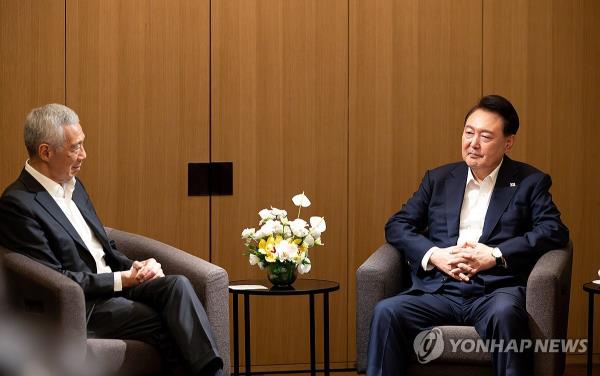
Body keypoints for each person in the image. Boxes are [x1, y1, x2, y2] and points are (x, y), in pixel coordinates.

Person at [0, 104, 224, 376]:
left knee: (177, 285)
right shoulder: (18, 204)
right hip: (83, 305)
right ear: (45, 152)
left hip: (116, 286)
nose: (84, 155)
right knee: (165, 321)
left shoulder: (74, 185)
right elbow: (55, 279)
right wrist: (123, 279)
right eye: (75, 147)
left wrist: (137, 267)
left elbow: (105, 247)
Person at [367, 95, 569, 376]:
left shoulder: (529, 182)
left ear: (508, 142)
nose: (473, 143)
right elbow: (397, 225)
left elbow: (554, 231)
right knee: (387, 312)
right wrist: (434, 255)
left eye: (485, 136)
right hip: (439, 290)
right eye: (468, 132)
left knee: (505, 315)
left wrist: (495, 255)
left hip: (494, 291)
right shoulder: (438, 179)